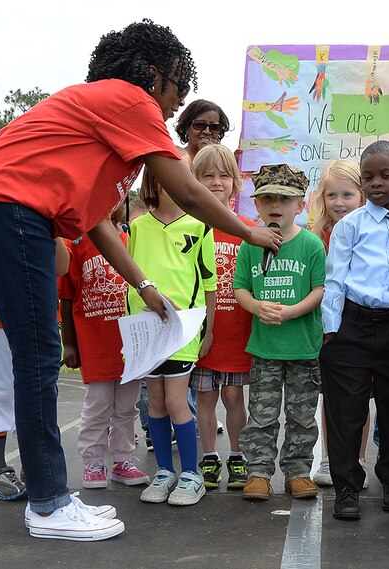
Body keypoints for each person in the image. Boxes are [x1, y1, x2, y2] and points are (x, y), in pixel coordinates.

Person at [0, 19, 278, 540]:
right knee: (37, 356)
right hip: (6, 210)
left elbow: (99, 223)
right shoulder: (129, 99)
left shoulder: (102, 127)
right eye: (177, 86)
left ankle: (49, 495)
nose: (176, 103)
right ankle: (50, 502)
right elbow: (189, 193)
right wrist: (249, 232)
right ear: (156, 74)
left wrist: (144, 284)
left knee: (36, 356)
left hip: (2, 210)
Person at [320, 141, 389, 520]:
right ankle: (347, 487)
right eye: (368, 177)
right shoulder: (349, 225)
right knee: (346, 412)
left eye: (386, 176)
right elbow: (335, 279)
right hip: (352, 326)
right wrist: (331, 330)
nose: (376, 184)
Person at [233, 164, 326, 501]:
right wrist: (256, 306)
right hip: (266, 347)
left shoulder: (311, 244)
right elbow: (240, 288)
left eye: (285, 198)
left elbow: (319, 290)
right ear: (256, 205)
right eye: (268, 197)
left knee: (302, 415)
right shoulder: (250, 244)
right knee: (261, 414)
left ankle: (298, 470)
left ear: (300, 205)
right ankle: (258, 471)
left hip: (302, 345)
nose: (276, 204)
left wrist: (292, 311)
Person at [130, 165, 216, 506]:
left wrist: (207, 331)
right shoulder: (137, 227)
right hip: (146, 331)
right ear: (152, 181)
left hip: (182, 330)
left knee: (176, 401)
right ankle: (164, 471)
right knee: (154, 402)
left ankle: (192, 475)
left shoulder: (200, 226)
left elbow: (209, 284)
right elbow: (130, 278)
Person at [0, 237, 69, 500]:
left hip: (38, 320)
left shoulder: (47, 222)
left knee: (39, 393)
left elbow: (62, 266)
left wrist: (52, 228)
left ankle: (34, 466)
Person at [61, 205, 150, 491]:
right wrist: (69, 343)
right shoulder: (77, 243)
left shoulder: (133, 239)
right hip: (95, 342)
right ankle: (92, 460)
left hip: (130, 344)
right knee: (98, 405)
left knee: (126, 407)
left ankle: (122, 460)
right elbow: (66, 296)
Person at [305, 159, 372, 487]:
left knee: (360, 398)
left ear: (361, 194)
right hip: (327, 328)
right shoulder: (316, 236)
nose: (340, 202)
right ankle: (331, 457)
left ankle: (357, 458)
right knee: (331, 397)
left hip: (361, 325)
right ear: (322, 198)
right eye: (332, 195)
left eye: (348, 194)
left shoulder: (369, 231)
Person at [191, 144, 254, 490]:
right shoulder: (189, 228)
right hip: (202, 333)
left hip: (236, 331)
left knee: (233, 397)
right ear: (193, 181)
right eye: (208, 176)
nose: (217, 182)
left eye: (224, 175)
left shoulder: (246, 229)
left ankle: (238, 455)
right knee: (204, 398)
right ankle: (209, 458)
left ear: (235, 181)